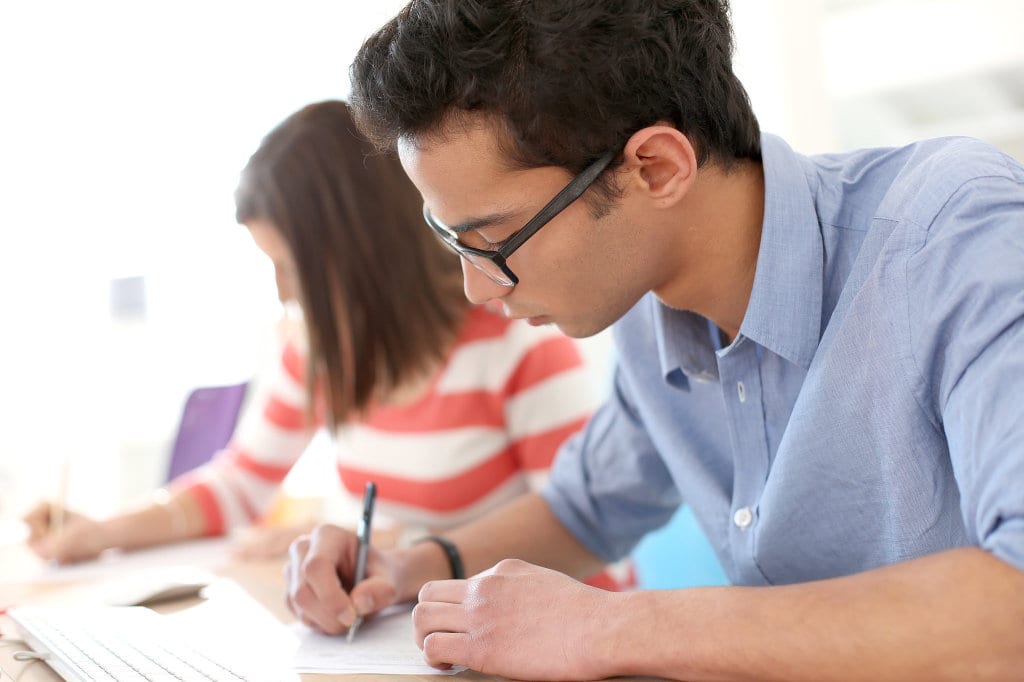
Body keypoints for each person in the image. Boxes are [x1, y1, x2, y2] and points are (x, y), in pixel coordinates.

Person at [283, 2, 1024, 680]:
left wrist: (606, 628)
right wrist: (404, 565)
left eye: (496, 239)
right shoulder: (646, 299)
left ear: (657, 168)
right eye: (452, 240)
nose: (479, 288)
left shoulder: (953, 234)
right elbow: (586, 508)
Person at [22, 100, 631, 591]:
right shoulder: (318, 350)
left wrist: (365, 545)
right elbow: (238, 486)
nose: (284, 292)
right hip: (398, 635)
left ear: (359, 249)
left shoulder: (520, 348)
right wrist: (102, 531)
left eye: (290, 265)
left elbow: (585, 543)